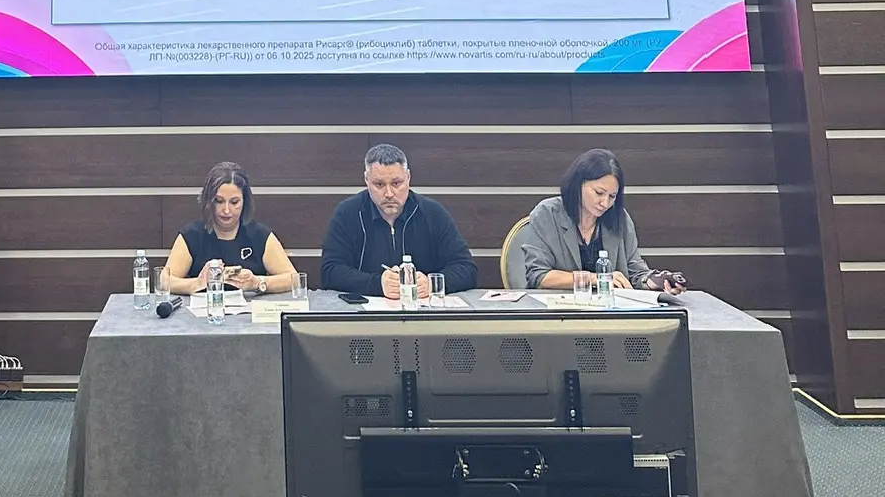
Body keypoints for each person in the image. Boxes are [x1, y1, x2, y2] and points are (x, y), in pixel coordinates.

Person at [514, 147, 682, 293]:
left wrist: (657, 281)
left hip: (611, 312)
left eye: (612, 196)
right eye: (599, 193)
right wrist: (596, 278)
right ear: (578, 184)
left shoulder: (619, 218)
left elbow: (635, 273)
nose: (605, 203)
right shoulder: (547, 214)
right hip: (560, 312)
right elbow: (539, 276)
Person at [320, 143, 476, 299]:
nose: (389, 194)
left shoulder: (432, 213)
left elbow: (466, 268)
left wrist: (431, 283)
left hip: (423, 309)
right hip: (366, 311)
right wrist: (378, 284)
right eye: (379, 184)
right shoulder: (348, 213)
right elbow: (330, 272)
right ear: (366, 180)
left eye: (396, 183)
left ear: (408, 178)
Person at [162, 161, 296, 295]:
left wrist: (257, 282)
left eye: (234, 202)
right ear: (208, 201)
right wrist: (198, 283)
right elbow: (164, 281)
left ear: (245, 201)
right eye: (219, 201)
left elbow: (293, 279)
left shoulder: (259, 235)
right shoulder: (192, 235)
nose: (226, 210)